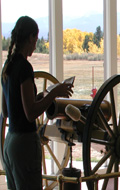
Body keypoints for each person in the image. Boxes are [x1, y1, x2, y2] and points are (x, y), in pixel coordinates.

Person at [1, 16, 73, 190]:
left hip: (10, 143)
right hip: (25, 144)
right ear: (31, 37)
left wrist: (41, 96)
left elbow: (7, 110)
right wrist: (55, 92)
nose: (36, 44)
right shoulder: (25, 68)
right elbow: (31, 113)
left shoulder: (8, 66)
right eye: (36, 39)